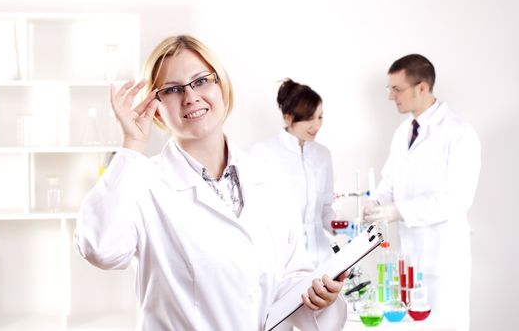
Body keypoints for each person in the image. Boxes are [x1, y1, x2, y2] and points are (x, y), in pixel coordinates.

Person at [74, 35, 347, 331]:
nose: (190, 97)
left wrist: (319, 297)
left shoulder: (270, 181)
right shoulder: (144, 183)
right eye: (173, 89)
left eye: (201, 81)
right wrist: (131, 145)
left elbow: (288, 281)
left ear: (221, 85)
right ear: (155, 105)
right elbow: (100, 249)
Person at [363, 54, 481, 331]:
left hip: (443, 261)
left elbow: (457, 199)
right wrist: (374, 202)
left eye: (397, 89)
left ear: (422, 88)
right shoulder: (403, 131)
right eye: (389, 89)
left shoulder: (459, 133)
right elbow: (389, 181)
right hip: (410, 258)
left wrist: (397, 211)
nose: (391, 96)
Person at [251, 79, 337, 268]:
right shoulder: (263, 154)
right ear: (288, 118)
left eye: (320, 117)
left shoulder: (323, 155)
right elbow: (256, 215)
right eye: (309, 118)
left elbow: (325, 210)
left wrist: (346, 228)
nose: (317, 125)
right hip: (283, 260)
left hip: (322, 258)